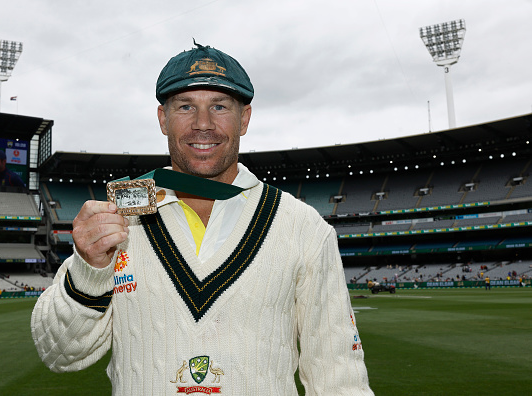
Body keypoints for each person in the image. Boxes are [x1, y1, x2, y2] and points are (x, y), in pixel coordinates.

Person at [31, 42, 373, 395]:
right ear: (163, 119)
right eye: (185, 106)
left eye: (220, 106)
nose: (203, 124)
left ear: (245, 118)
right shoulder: (120, 219)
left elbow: (339, 377)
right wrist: (90, 270)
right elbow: (59, 353)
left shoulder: (303, 227)